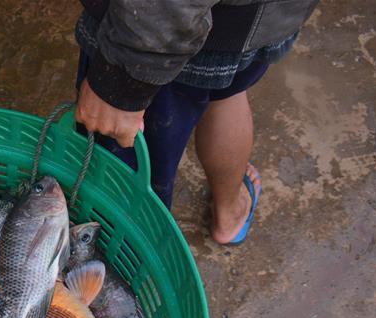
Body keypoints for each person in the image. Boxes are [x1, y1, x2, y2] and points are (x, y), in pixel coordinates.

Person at [72, 0, 318, 244]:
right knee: (225, 93)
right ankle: (230, 211)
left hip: (159, 33)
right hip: (261, 18)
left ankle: (131, 245)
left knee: (130, 163)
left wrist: (121, 80)